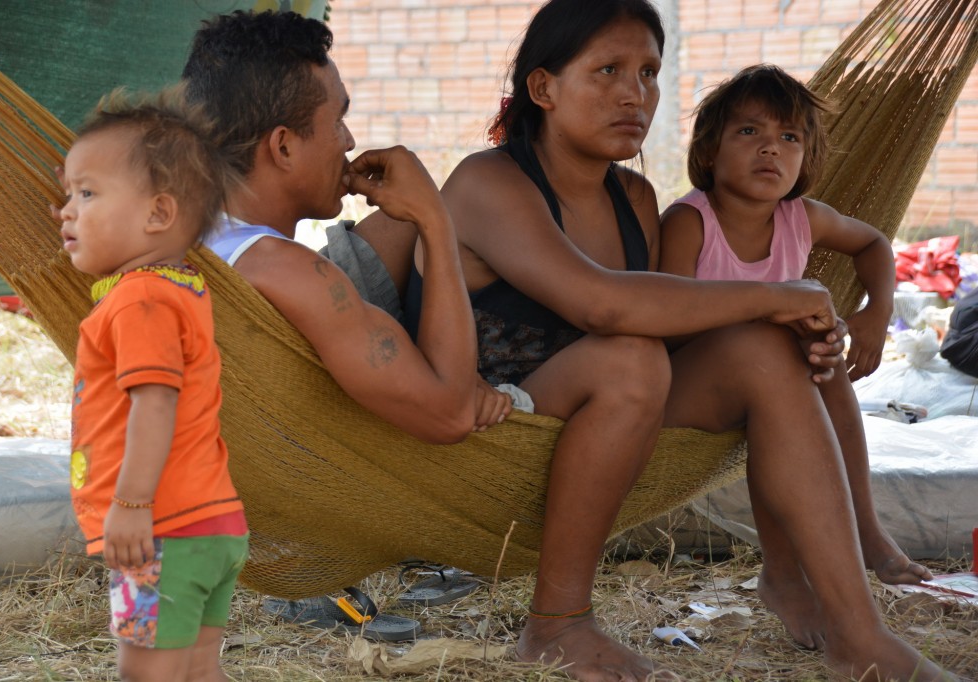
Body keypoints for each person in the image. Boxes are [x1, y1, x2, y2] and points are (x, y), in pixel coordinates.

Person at [401, 1, 958, 680]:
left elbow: (667, 313)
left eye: (648, 73)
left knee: (764, 349)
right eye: (608, 70)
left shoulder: (633, 198)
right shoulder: (489, 182)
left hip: (606, 421)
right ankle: (556, 626)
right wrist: (780, 294)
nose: (635, 94)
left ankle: (855, 633)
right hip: (493, 424)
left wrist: (802, 323)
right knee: (631, 359)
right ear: (543, 89)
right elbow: (603, 306)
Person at [659, 63, 932, 590]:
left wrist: (877, 311)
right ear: (709, 152)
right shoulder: (689, 221)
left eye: (789, 137)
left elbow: (873, 243)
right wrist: (771, 323)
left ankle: (866, 529)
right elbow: (669, 322)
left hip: (775, 389)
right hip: (691, 391)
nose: (771, 148)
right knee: (788, 349)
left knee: (820, 364)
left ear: (805, 158)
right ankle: (789, 570)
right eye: (749, 131)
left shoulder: (800, 218)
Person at [182, 10, 510, 443]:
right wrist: (435, 219)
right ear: (283, 146)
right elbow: (450, 414)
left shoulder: (164, 229)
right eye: (337, 121)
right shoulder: (291, 273)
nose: (350, 141)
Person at [61, 87, 248, 682]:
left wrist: (131, 505)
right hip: (213, 527)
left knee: (148, 674)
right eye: (69, 194)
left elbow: (154, 404)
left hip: (161, 533)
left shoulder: (138, 298)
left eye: (86, 194)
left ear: (159, 214)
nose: (66, 211)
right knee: (197, 672)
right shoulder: (182, 289)